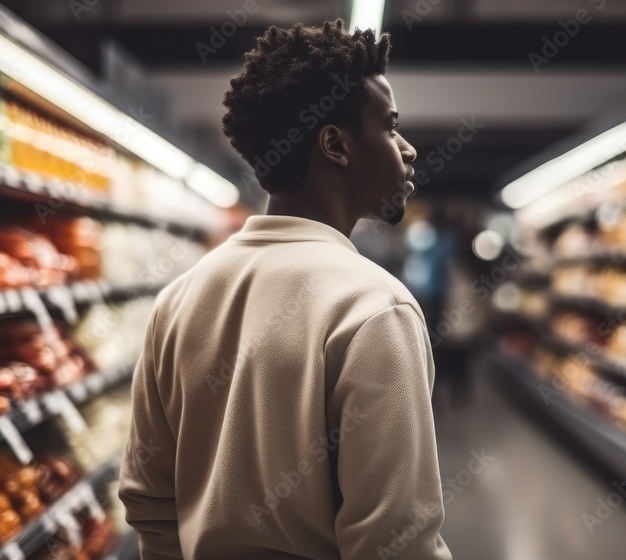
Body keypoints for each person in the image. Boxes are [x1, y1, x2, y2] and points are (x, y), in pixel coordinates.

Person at [118, 20, 453, 560]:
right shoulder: (374, 308)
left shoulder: (178, 300)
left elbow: (148, 500)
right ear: (334, 145)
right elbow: (396, 542)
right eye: (390, 128)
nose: (408, 149)